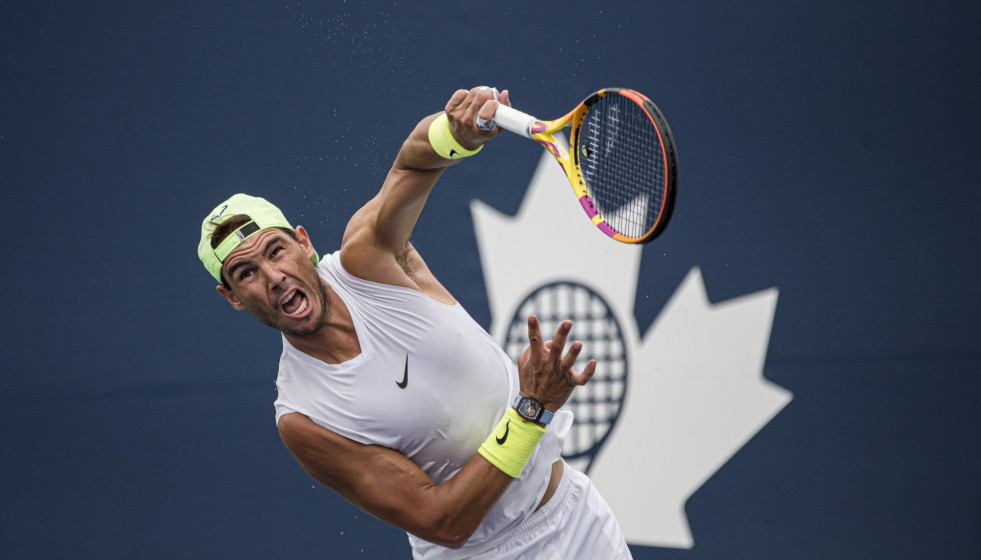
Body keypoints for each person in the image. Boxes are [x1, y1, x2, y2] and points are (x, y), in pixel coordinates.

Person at [197, 87, 632, 559]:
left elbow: (413, 163)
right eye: (247, 274)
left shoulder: (368, 256)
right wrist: (530, 410)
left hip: (576, 512)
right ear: (233, 297)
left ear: (303, 243)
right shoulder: (303, 417)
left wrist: (458, 132)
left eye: (275, 251)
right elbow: (441, 520)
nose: (274, 277)